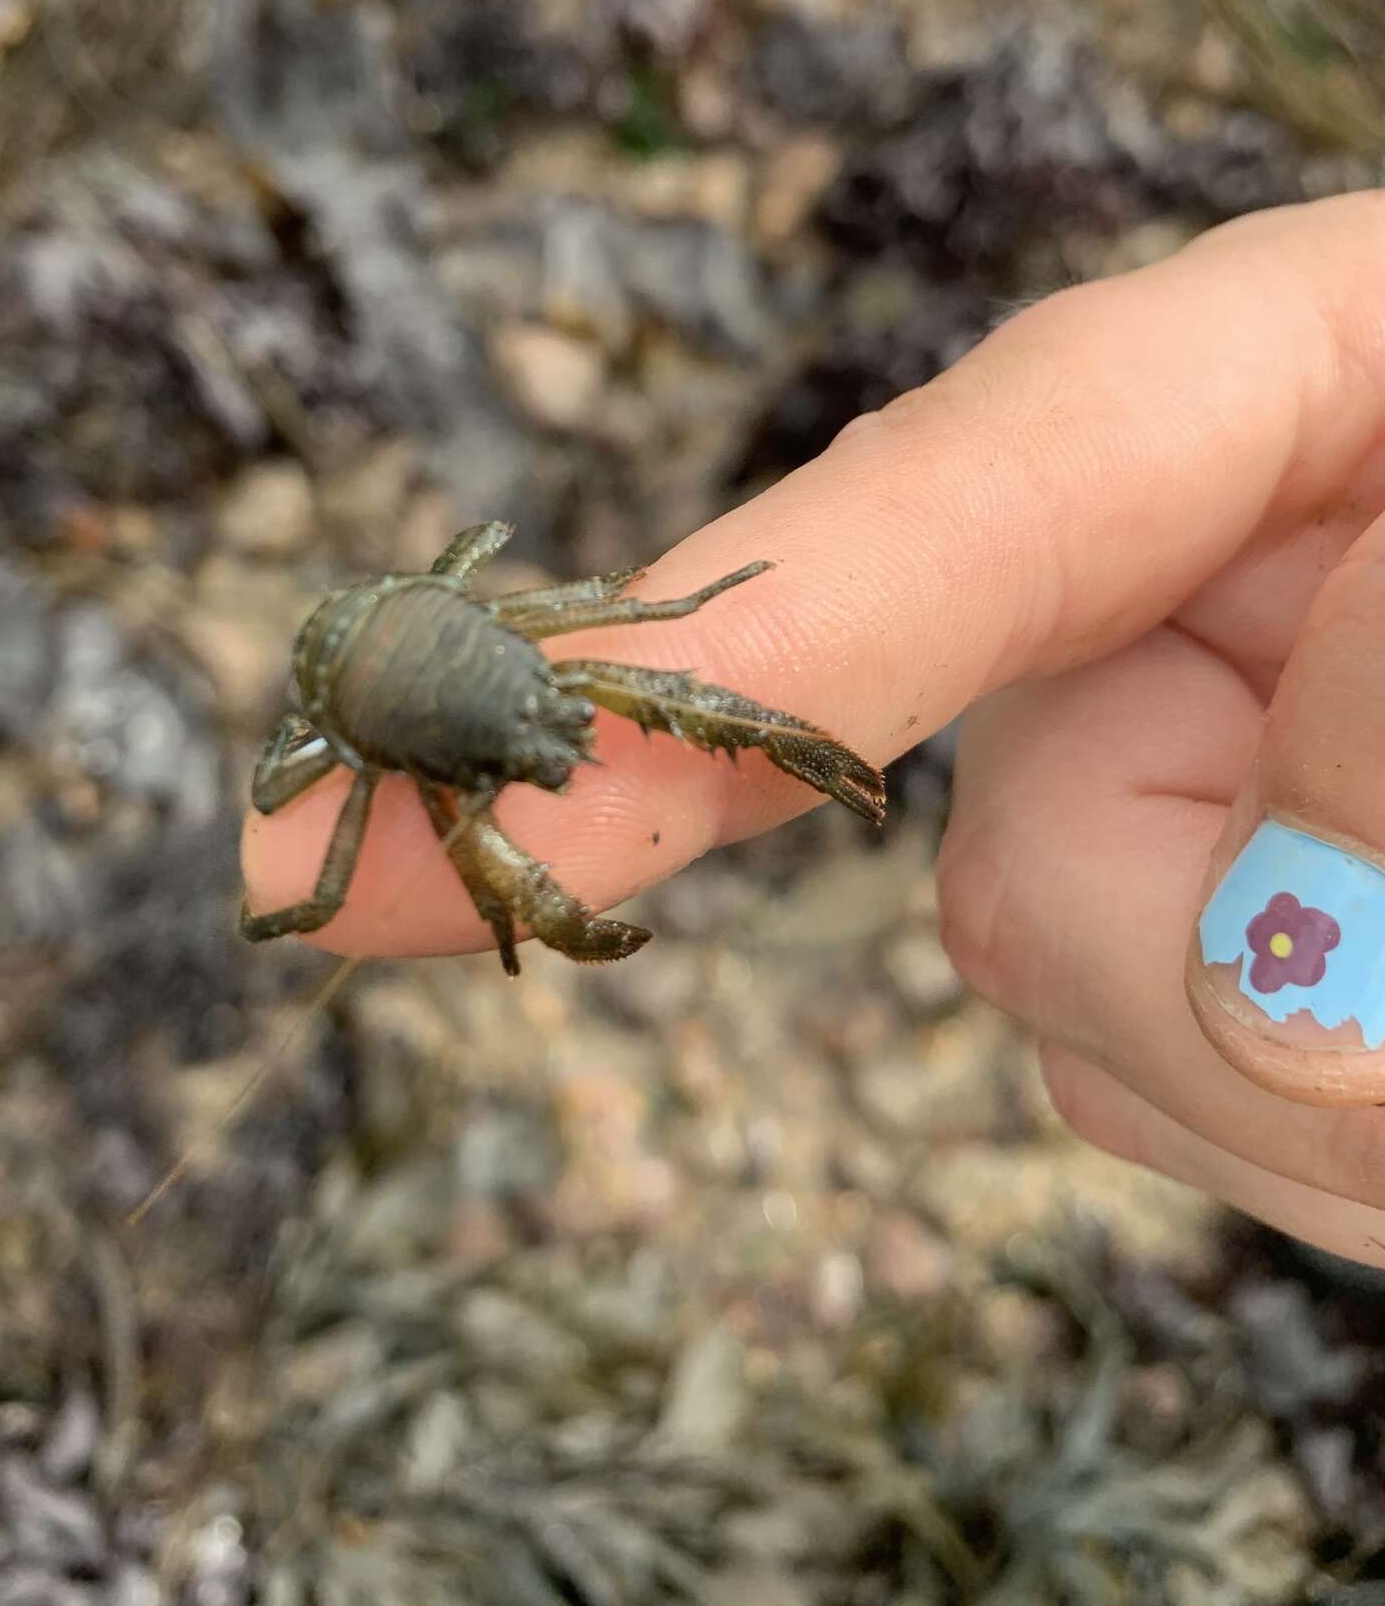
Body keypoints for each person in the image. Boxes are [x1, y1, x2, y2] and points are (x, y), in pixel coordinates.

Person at [243, 192, 1385, 1268]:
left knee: (659, 687)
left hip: (457, 653)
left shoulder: (534, 680)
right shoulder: (507, 683)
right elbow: (625, 608)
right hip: (400, 661)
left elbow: (647, 609)